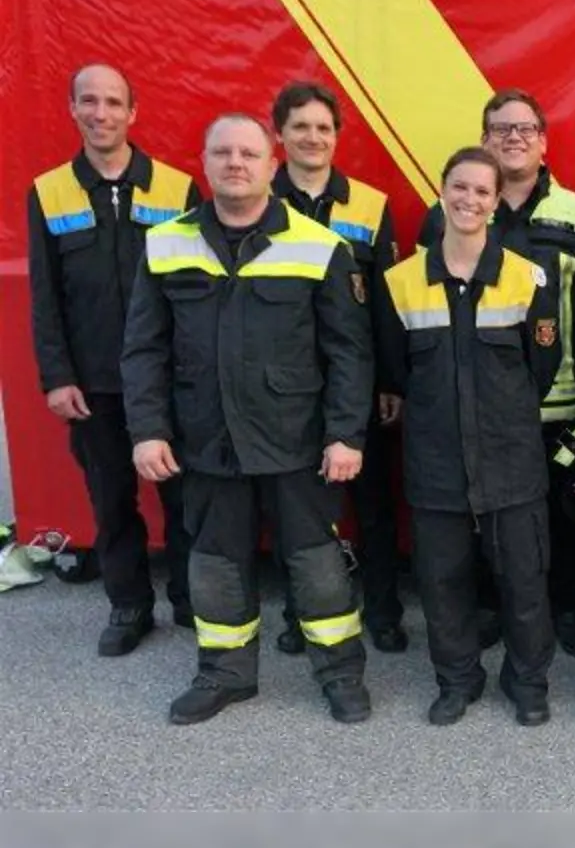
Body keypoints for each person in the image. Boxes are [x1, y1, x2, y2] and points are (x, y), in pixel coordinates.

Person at [122, 113, 373, 725]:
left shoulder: (319, 247)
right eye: (223, 153)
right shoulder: (165, 244)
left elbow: (349, 351)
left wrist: (345, 433)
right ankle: (225, 674)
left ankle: (340, 674)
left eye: (249, 154)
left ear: (272, 163)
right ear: (204, 163)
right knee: (214, 563)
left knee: (317, 564)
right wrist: (148, 429)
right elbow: (144, 347)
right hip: (205, 439)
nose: (236, 163)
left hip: (297, 440)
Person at [417, 88, 575, 659]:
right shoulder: (456, 210)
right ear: (484, 140)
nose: (513, 137)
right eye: (500, 129)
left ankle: (570, 608)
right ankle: (491, 610)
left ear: (544, 142)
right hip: (476, 403)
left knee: (566, 511)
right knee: (481, 514)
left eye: (525, 129)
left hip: (561, 402)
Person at [377, 146, 562, 726]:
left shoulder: (529, 279)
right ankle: (457, 679)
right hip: (435, 460)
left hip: (512, 459)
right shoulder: (400, 282)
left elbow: (544, 364)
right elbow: (395, 368)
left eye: (483, 191)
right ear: (442, 190)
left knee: (525, 580)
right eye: (460, 187)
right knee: (442, 581)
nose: (470, 200)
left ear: (494, 200)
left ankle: (528, 681)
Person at [28, 63, 199, 655]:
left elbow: (198, 292)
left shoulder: (177, 189)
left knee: (184, 497)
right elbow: (44, 294)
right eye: (89, 102)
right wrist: (57, 377)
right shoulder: (49, 192)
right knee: (111, 497)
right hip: (93, 381)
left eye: (112, 102)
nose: (100, 113)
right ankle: (129, 606)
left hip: (171, 378)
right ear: (72, 109)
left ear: (133, 112)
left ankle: (189, 600)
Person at [268, 80, 407, 656]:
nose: (312, 137)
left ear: (337, 136)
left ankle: (384, 612)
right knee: (297, 509)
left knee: (373, 507)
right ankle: (303, 612)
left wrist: (391, 381)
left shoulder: (369, 206)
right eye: (300, 126)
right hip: (284, 387)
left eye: (323, 127)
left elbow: (387, 302)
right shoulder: (257, 202)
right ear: (279, 135)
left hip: (358, 384)